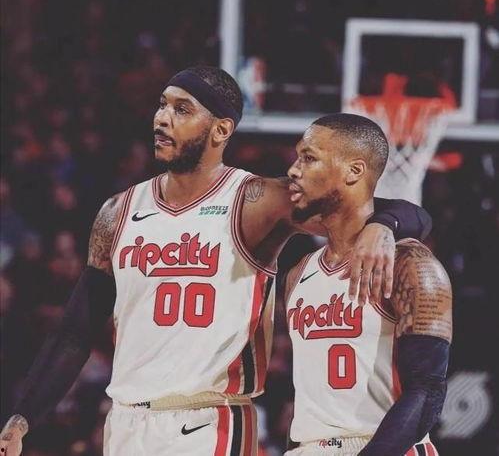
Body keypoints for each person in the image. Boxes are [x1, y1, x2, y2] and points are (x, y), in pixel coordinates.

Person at [0, 67, 431, 455]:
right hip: (126, 421)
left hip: (209, 421)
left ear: (221, 130)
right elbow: (75, 331)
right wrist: (23, 416)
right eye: (162, 105)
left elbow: (374, 210)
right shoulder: (117, 213)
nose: (162, 118)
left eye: (181, 109)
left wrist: (385, 224)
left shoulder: (257, 201)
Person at [284, 113, 452, 455]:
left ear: (354, 171)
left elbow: (427, 391)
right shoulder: (298, 273)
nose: (293, 169)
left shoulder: (412, 265)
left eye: (309, 158)